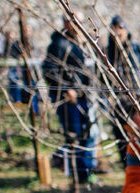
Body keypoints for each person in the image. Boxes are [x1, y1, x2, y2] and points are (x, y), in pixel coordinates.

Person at [42, 13, 98, 184]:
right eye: (75, 22)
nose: (79, 25)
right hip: (69, 100)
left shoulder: (82, 43)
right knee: (74, 135)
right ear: (67, 23)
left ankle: (86, 171)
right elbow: (49, 70)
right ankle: (79, 175)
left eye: (80, 22)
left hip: (84, 96)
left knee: (88, 134)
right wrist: (67, 90)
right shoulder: (59, 44)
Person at [106, 15, 140, 164]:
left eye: (120, 28)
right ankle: (126, 165)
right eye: (114, 29)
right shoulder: (107, 52)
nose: (118, 32)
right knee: (120, 134)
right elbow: (102, 78)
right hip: (119, 102)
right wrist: (108, 96)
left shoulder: (137, 49)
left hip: (138, 99)